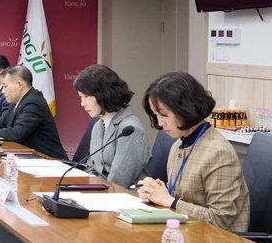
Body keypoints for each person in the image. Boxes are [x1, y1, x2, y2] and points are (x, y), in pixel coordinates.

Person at [137, 72, 250, 231]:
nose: (160, 122)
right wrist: (156, 193)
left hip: (216, 241)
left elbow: (220, 220)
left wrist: (170, 201)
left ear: (185, 109)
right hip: (185, 231)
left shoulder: (218, 153)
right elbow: (182, 197)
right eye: (155, 115)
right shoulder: (178, 145)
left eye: (163, 114)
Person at [0, 65, 66, 159]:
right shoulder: (18, 101)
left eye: (5, 86)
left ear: (19, 85)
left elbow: (17, 133)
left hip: (50, 162)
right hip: (32, 159)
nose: (3, 91)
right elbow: (1, 123)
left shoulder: (33, 103)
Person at [72, 64, 150, 187]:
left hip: (122, 195)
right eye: (81, 97)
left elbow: (118, 182)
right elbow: (92, 167)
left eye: (86, 96)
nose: (82, 103)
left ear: (103, 93)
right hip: (101, 191)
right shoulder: (98, 126)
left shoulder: (130, 130)